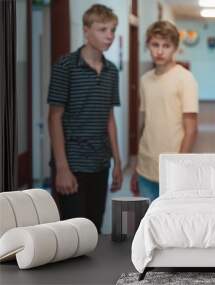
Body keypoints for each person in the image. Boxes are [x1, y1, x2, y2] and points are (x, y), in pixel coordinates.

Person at [48, 4, 122, 232]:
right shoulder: (66, 66)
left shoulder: (111, 70)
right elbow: (54, 118)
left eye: (112, 30)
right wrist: (62, 167)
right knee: (71, 232)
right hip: (72, 164)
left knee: (94, 227)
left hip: (100, 162)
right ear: (86, 31)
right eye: (102, 30)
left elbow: (109, 118)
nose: (109, 36)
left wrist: (117, 162)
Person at [131, 21, 199, 201]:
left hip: (172, 168)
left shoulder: (185, 79)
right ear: (148, 46)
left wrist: (180, 168)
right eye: (155, 45)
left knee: (170, 223)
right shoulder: (145, 80)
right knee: (148, 221)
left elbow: (191, 130)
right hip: (145, 167)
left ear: (175, 48)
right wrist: (136, 167)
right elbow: (145, 125)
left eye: (166, 46)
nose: (160, 51)